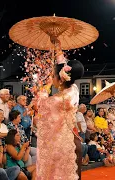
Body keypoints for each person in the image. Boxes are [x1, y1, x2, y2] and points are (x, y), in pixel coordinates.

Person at [31, 43, 84, 180]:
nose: (51, 78)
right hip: (73, 140)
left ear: (60, 79)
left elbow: (41, 103)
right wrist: (57, 46)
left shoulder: (59, 99)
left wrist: (45, 88)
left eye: (53, 76)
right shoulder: (73, 89)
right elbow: (63, 64)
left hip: (64, 144)